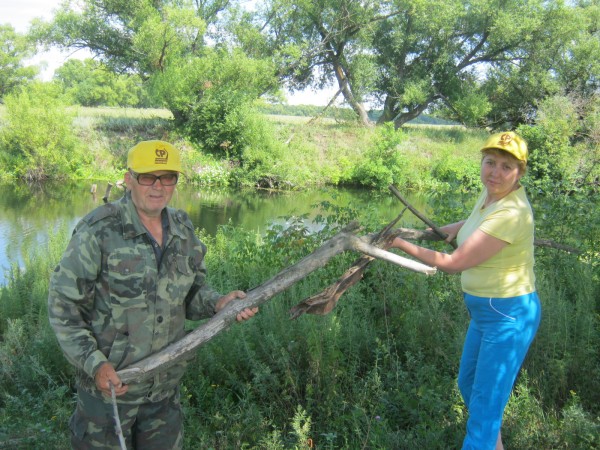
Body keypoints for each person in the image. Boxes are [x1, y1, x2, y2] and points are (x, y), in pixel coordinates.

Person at [48, 140, 257, 449]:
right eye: (148, 177)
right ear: (129, 178)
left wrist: (217, 302)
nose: (158, 187)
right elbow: (63, 307)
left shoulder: (182, 228)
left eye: (168, 177)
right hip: (110, 394)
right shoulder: (99, 230)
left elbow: (191, 290)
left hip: (164, 390)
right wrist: (95, 365)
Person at [390, 132, 541, 450]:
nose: (495, 173)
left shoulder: (511, 213)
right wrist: (424, 233)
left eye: (505, 166)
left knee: (484, 412)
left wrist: (399, 243)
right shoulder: (491, 196)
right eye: (490, 163)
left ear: (520, 172)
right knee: (470, 384)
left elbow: (454, 263)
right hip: (486, 312)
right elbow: (471, 224)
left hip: (508, 314)